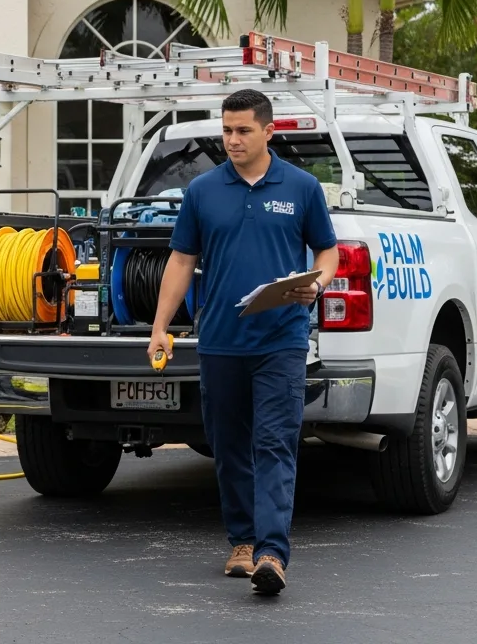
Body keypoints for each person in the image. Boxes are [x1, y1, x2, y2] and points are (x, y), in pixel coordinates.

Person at [146, 88, 338, 596]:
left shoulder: (301, 187)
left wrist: (316, 284)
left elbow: (328, 249)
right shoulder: (203, 191)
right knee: (229, 446)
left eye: (243, 130)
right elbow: (181, 261)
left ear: (268, 131)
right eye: (227, 130)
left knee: (275, 441)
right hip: (221, 341)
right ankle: (242, 541)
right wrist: (160, 326)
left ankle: (272, 553)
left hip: (282, 339)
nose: (232, 139)